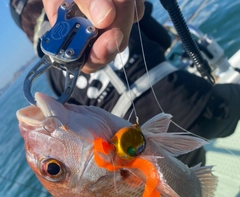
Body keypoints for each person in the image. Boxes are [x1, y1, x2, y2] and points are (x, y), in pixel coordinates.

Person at [10, 0, 240, 170]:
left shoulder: (52, 76)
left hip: (149, 154)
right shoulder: (121, 12)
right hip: (197, 102)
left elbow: (82, 123)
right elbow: (164, 40)